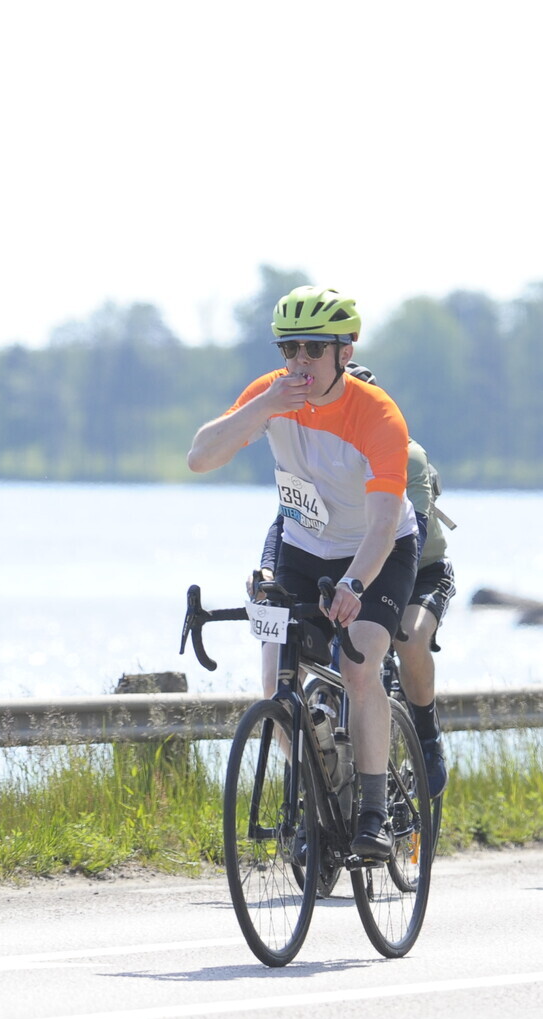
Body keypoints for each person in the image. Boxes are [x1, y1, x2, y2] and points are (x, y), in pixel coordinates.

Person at [189, 286, 418, 858]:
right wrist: (262, 408)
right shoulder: (271, 394)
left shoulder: (377, 415)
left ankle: (373, 815)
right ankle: (322, 797)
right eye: (289, 349)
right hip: (303, 548)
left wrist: (354, 585)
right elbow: (199, 457)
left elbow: (383, 524)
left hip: (377, 552)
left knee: (359, 666)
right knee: (276, 691)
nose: (300, 362)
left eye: (314, 349)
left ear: (345, 352)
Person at [253, 363, 456, 796]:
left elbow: (412, 532)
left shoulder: (406, 454)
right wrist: (267, 570)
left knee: (408, 638)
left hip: (414, 568)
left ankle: (426, 733)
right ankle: (322, 782)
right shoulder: (315, 452)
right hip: (339, 565)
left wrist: (377, 600)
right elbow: (286, 519)